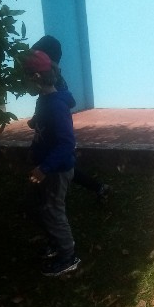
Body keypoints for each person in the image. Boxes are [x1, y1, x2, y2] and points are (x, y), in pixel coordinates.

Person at [30, 36, 110, 203]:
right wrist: (37, 119)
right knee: (64, 166)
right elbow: (45, 103)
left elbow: (57, 106)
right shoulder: (52, 76)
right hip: (49, 131)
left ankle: (98, 187)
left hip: (55, 132)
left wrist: (42, 119)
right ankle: (98, 187)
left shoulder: (54, 83)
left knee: (63, 165)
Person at [22, 49, 81, 277]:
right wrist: (36, 121)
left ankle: (68, 256)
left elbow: (67, 144)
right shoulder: (45, 99)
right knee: (39, 207)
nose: (24, 83)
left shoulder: (56, 105)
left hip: (56, 170)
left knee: (54, 211)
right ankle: (55, 243)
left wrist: (44, 168)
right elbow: (45, 122)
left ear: (36, 76)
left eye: (26, 77)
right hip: (45, 166)